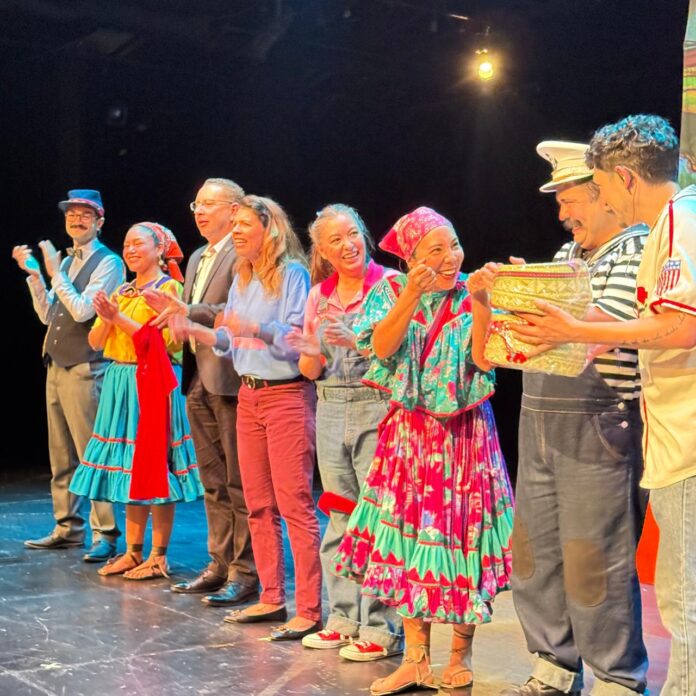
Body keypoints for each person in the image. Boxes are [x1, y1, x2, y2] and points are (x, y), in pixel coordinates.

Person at [513, 115, 696, 696]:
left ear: (621, 179)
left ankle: (623, 676)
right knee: (548, 557)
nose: (600, 200)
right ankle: (557, 662)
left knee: (670, 592)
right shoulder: (667, 224)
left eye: (595, 187)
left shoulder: (674, 224)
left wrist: (572, 327)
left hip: (664, 430)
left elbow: (679, 326)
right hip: (656, 430)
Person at [475, 141, 650, 696]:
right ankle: (553, 665)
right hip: (539, 419)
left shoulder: (635, 248)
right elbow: (515, 343)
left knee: (593, 558)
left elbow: (600, 331)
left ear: (605, 196)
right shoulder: (568, 255)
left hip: (597, 422)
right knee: (537, 552)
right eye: (559, 203)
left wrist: (530, 297)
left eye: (570, 200)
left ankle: (617, 678)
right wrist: (504, 295)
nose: (562, 214)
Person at [332, 206, 514, 695]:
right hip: (409, 439)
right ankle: (415, 660)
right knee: (409, 541)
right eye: (436, 250)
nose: (451, 257)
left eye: (454, 245)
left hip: (464, 437)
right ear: (411, 259)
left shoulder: (471, 292)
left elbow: (484, 360)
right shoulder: (390, 291)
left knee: (463, 539)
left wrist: (482, 303)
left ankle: (460, 655)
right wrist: (411, 294)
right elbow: (381, 348)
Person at [168, 195, 322, 640]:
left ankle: (309, 609)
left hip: (286, 395)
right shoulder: (243, 274)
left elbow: (296, 339)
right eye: (232, 224)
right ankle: (271, 597)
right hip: (250, 396)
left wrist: (253, 328)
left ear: (268, 228)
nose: (234, 231)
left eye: (243, 224)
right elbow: (231, 341)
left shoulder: (292, 273)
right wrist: (196, 330)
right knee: (257, 504)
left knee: (294, 505)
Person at [285, 204, 404, 661]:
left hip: (378, 405)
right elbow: (310, 370)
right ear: (322, 251)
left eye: (352, 234)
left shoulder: (391, 286)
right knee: (340, 515)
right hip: (331, 405)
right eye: (335, 240)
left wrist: (357, 342)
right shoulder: (319, 295)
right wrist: (311, 349)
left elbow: (402, 359)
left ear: (364, 235)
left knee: (377, 519)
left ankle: (380, 627)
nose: (347, 245)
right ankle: (343, 619)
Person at [69, 222, 203, 580]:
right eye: (126, 244)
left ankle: (158, 555)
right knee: (130, 466)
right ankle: (132, 551)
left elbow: (162, 342)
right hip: (120, 380)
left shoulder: (169, 290)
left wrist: (118, 317)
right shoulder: (122, 291)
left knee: (156, 464)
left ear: (159, 250)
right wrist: (106, 319)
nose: (129, 250)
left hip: (154, 380)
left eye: (138, 243)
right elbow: (96, 341)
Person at [146, 178, 258, 606]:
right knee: (211, 480)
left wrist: (187, 311)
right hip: (198, 378)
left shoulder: (243, 252)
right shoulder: (197, 256)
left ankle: (246, 572)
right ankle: (219, 564)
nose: (200, 212)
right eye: (197, 205)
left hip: (231, 377)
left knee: (238, 481)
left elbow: (236, 310)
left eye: (209, 204)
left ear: (234, 209)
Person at [12, 189, 123, 563]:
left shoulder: (108, 263)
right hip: (56, 366)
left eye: (84, 215)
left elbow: (81, 312)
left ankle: (105, 532)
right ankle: (67, 527)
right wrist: (36, 277)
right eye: (71, 214)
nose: (76, 220)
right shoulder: (67, 262)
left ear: (100, 222)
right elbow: (50, 316)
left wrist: (55, 273)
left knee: (92, 452)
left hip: (86, 367)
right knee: (61, 455)